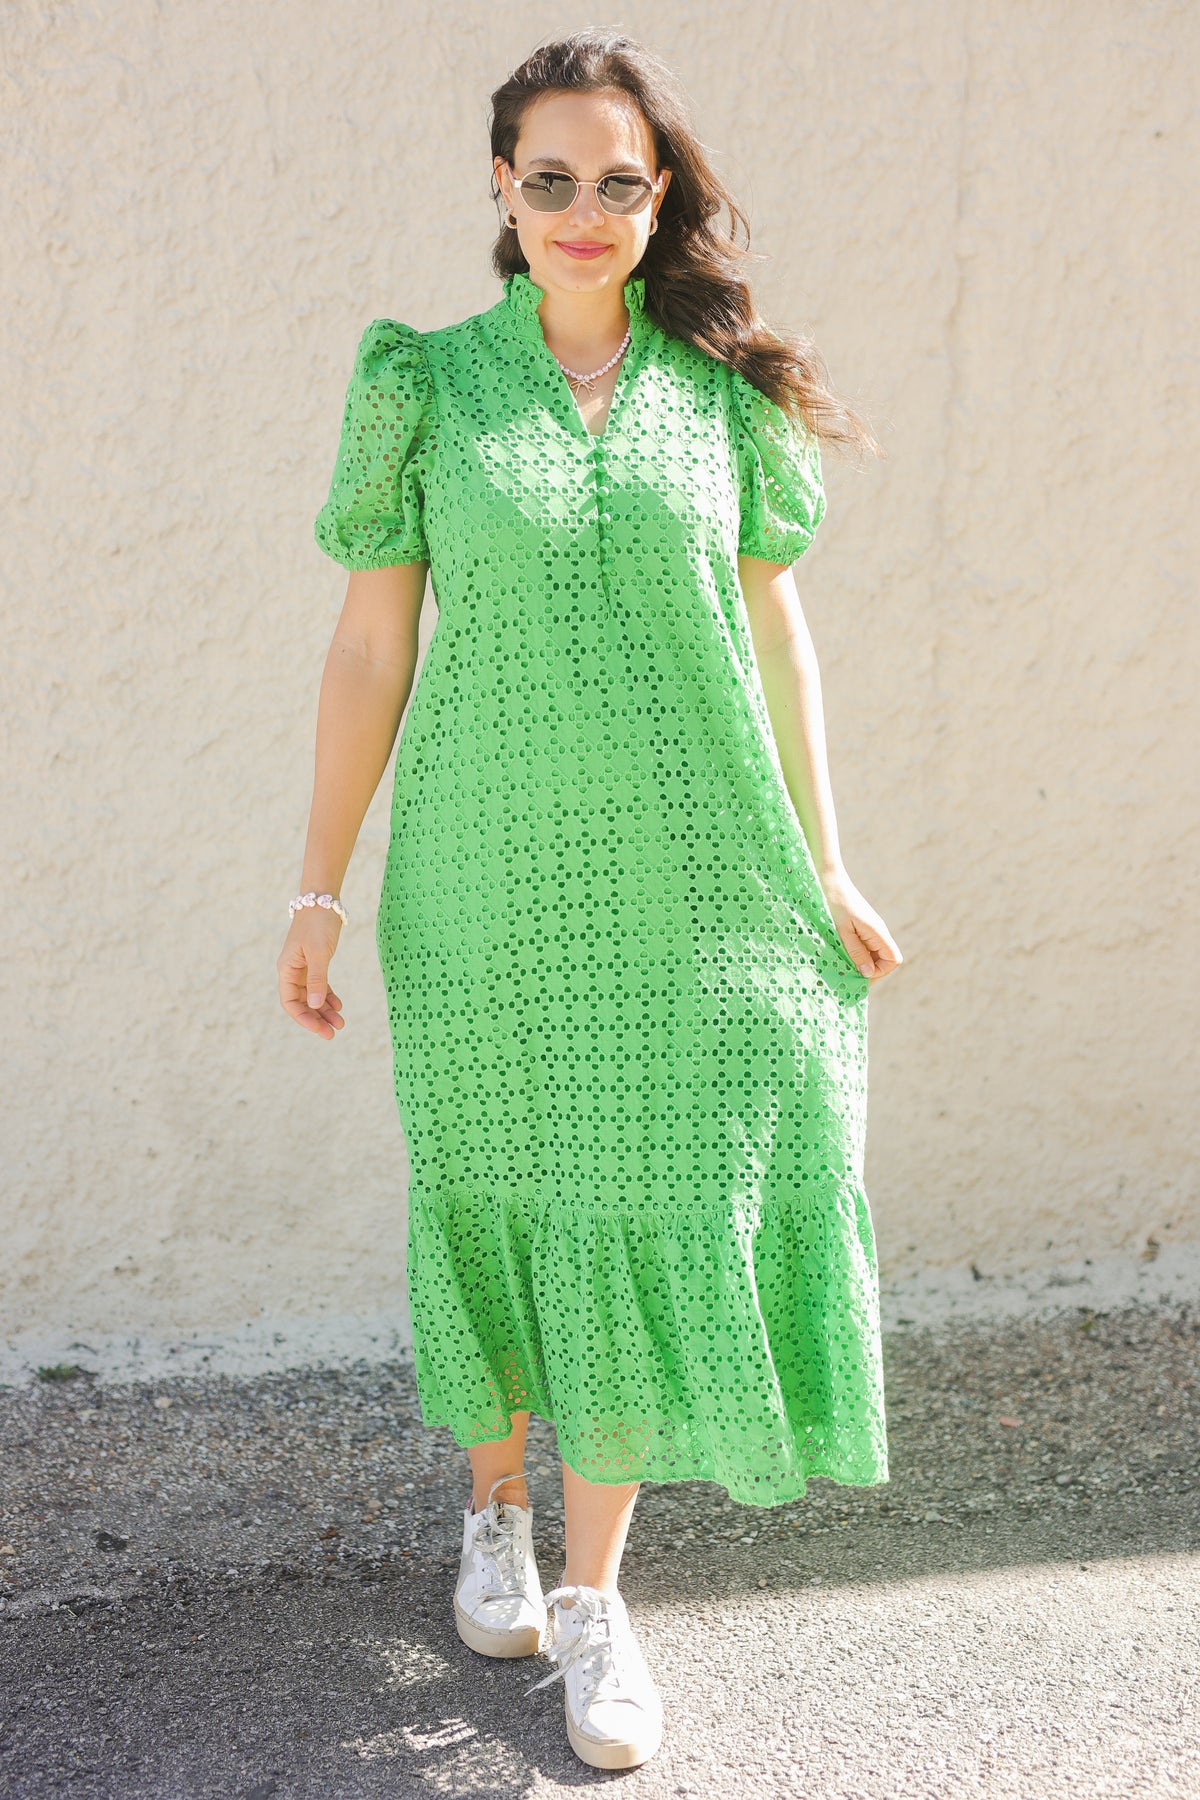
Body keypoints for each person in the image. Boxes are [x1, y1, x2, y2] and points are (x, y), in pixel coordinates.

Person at [278, 28, 903, 1774]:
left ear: (657, 195)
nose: (581, 210)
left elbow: (776, 637)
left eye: (617, 182)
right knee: (494, 1189)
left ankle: (594, 1595)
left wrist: (824, 860)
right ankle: (495, 1509)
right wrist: (316, 886)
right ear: (502, 185)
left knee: (644, 1196)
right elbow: (369, 646)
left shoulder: (724, 399)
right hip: (477, 882)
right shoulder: (423, 384)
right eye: (548, 178)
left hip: (690, 879)